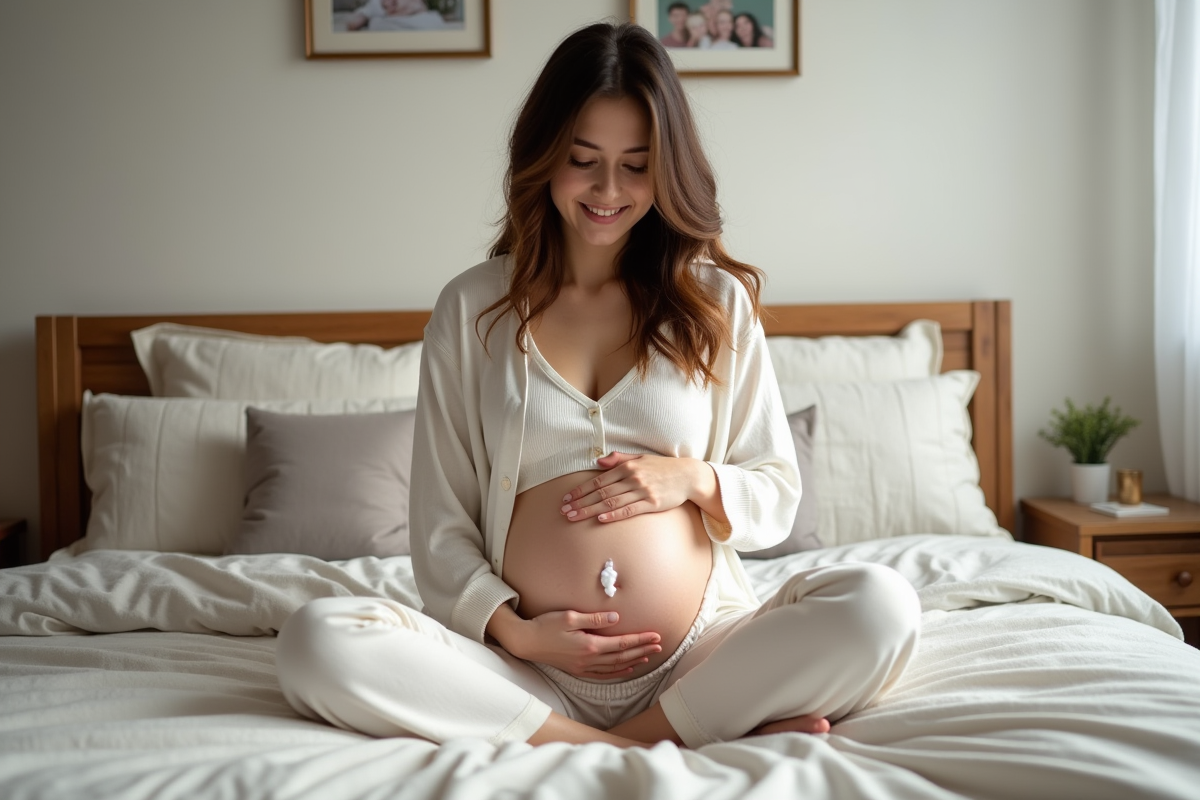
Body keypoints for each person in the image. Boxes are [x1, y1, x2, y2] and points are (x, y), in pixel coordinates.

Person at [276, 21, 921, 749]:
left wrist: (694, 480)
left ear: (667, 170)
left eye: (637, 165)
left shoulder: (714, 304)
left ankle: (638, 726)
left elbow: (774, 492)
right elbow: (440, 523)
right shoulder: (471, 309)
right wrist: (516, 634)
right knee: (315, 640)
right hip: (527, 672)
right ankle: (642, 741)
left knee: (882, 606)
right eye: (583, 160)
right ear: (543, 156)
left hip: (700, 655)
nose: (608, 190)